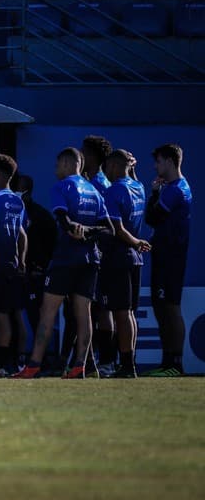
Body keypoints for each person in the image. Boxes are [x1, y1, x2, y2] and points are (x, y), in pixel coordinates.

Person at [13, 148, 112, 379]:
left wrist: (77, 231)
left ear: (68, 164)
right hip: (90, 260)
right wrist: (88, 231)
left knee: (47, 312)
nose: (56, 170)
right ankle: (79, 366)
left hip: (65, 259)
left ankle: (34, 364)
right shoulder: (94, 191)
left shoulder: (62, 186)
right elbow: (109, 229)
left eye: (57, 165)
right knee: (84, 313)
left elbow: (63, 221)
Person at [101, 149, 151, 378]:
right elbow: (136, 179)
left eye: (107, 167)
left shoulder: (114, 190)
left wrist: (136, 242)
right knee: (129, 312)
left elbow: (117, 229)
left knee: (121, 313)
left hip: (120, 257)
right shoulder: (138, 186)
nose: (105, 172)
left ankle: (127, 365)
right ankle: (129, 363)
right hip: (135, 259)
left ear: (112, 166)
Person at [144, 143, 193, 377]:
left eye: (159, 161)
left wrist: (154, 194)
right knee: (160, 307)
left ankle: (176, 364)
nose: (156, 166)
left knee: (170, 307)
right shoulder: (173, 188)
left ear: (171, 162)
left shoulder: (176, 189)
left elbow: (152, 218)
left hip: (171, 256)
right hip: (163, 254)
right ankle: (167, 362)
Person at [0, 154, 29, 376]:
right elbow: (22, 234)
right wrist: (21, 259)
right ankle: (6, 363)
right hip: (10, 265)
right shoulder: (17, 200)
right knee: (8, 314)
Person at [14, 173, 58, 370]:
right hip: (15, 272)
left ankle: (44, 357)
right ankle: (19, 357)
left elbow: (52, 243)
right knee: (12, 314)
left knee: (37, 316)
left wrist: (40, 266)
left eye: (19, 188)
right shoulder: (12, 209)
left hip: (35, 275)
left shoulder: (41, 215)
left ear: (27, 192)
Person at [81, 135, 116, 374]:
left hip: (102, 258)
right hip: (90, 257)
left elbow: (109, 226)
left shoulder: (101, 185)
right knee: (91, 310)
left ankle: (107, 362)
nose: (81, 156)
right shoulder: (88, 181)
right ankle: (91, 361)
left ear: (92, 156)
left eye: (84, 152)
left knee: (104, 310)